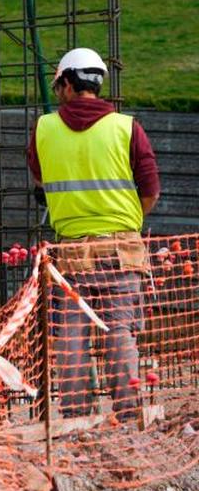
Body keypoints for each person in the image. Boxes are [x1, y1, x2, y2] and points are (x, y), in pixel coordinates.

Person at [27, 48, 159, 422]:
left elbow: (40, 180)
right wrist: (127, 220)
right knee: (120, 333)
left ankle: (74, 420)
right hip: (122, 251)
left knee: (71, 339)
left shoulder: (44, 129)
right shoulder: (126, 127)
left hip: (69, 255)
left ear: (68, 83)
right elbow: (150, 189)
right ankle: (128, 416)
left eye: (59, 87)